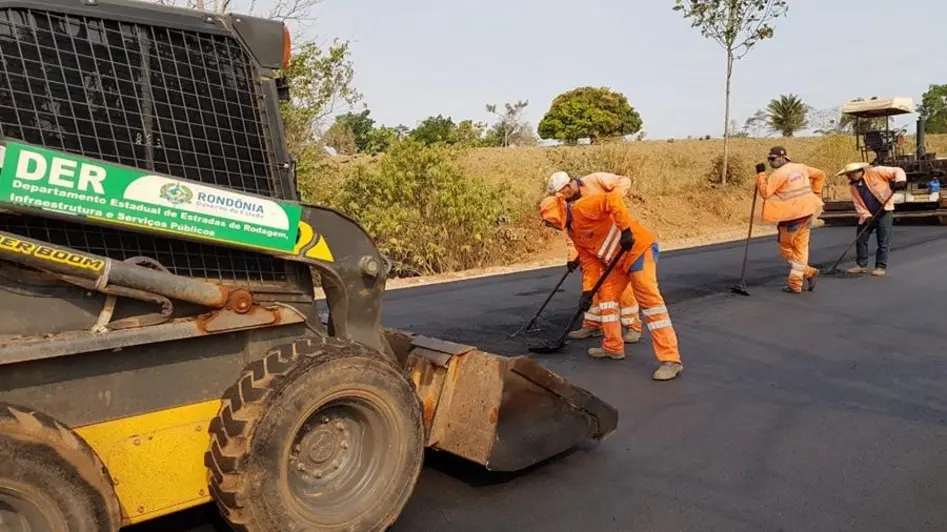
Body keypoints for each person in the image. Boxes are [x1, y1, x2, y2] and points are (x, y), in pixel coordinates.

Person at [539, 190, 683, 381]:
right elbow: (589, 262)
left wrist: (625, 230)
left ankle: (671, 360)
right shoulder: (574, 232)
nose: (549, 226)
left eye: (549, 222)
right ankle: (613, 347)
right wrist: (587, 292)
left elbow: (612, 199)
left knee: (650, 302)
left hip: (637, 249)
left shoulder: (583, 207)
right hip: (617, 261)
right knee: (606, 296)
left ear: (556, 215)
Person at [547, 171, 642, 344]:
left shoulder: (595, 180)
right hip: (591, 245)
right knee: (590, 283)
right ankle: (593, 324)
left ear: (568, 186)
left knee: (619, 284)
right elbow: (572, 234)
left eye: (563, 194)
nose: (563, 199)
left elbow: (625, 180)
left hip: (614, 237)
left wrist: (615, 199)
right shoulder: (569, 205)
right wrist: (573, 256)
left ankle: (632, 325)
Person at [755, 146, 827, 294]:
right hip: (807, 214)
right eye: (769, 159)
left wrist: (760, 175)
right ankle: (795, 284)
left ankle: (808, 272)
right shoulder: (801, 168)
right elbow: (820, 174)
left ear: (782, 158)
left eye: (773, 159)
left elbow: (765, 192)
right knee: (801, 249)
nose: (770, 162)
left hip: (791, 218)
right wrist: (816, 193)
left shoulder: (779, 174)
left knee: (786, 249)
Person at [835, 162, 907, 276]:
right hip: (868, 215)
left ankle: (880, 267)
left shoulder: (876, 172)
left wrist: (900, 181)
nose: (848, 177)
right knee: (861, 239)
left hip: (884, 211)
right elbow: (858, 204)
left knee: (883, 241)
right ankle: (861, 265)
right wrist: (866, 215)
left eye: (850, 174)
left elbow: (898, 170)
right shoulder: (853, 187)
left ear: (858, 171)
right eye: (847, 175)